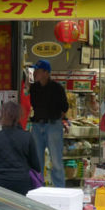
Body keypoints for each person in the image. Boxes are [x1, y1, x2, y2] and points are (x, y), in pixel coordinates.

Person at [0, 101, 42, 195]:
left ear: (2, 116)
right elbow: (36, 166)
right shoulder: (27, 137)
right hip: (22, 184)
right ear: (18, 117)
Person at [29, 59, 69, 188]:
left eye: (38, 70)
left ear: (46, 72)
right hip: (36, 125)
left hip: (53, 126)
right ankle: (38, 187)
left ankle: (60, 188)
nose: (35, 73)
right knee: (36, 161)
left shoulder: (57, 88)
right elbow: (33, 105)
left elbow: (65, 107)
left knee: (56, 160)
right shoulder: (34, 88)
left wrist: (56, 118)